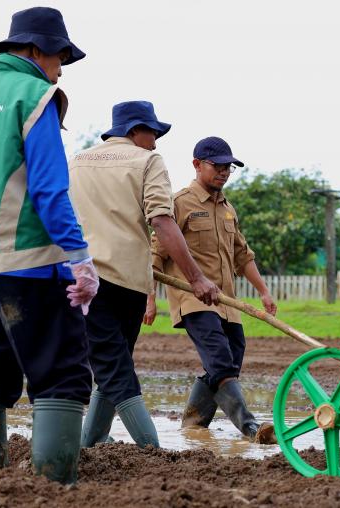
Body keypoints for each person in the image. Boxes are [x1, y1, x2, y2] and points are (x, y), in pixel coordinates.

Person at [0, 7, 97, 484]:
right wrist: (81, 258)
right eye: (59, 56)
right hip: (30, 265)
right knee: (61, 372)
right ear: (33, 50)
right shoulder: (36, 95)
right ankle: (55, 483)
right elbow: (49, 190)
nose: (61, 68)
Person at [69, 101, 219, 448]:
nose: (155, 141)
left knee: (113, 364)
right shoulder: (147, 160)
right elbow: (162, 220)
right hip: (128, 281)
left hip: (84, 278)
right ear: (135, 131)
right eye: (153, 133)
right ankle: (151, 448)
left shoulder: (77, 161)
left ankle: (89, 443)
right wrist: (196, 277)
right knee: (117, 366)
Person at [150, 137, 276, 443]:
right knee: (220, 361)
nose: (223, 171)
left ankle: (193, 425)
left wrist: (263, 291)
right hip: (193, 300)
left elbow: (242, 255)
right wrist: (149, 298)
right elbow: (155, 254)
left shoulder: (228, 208)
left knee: (227, 363)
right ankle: (250, 427)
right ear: (197, 165)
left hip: (227, 302)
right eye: (217, 165)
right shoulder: (179, 204)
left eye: (228, 167)